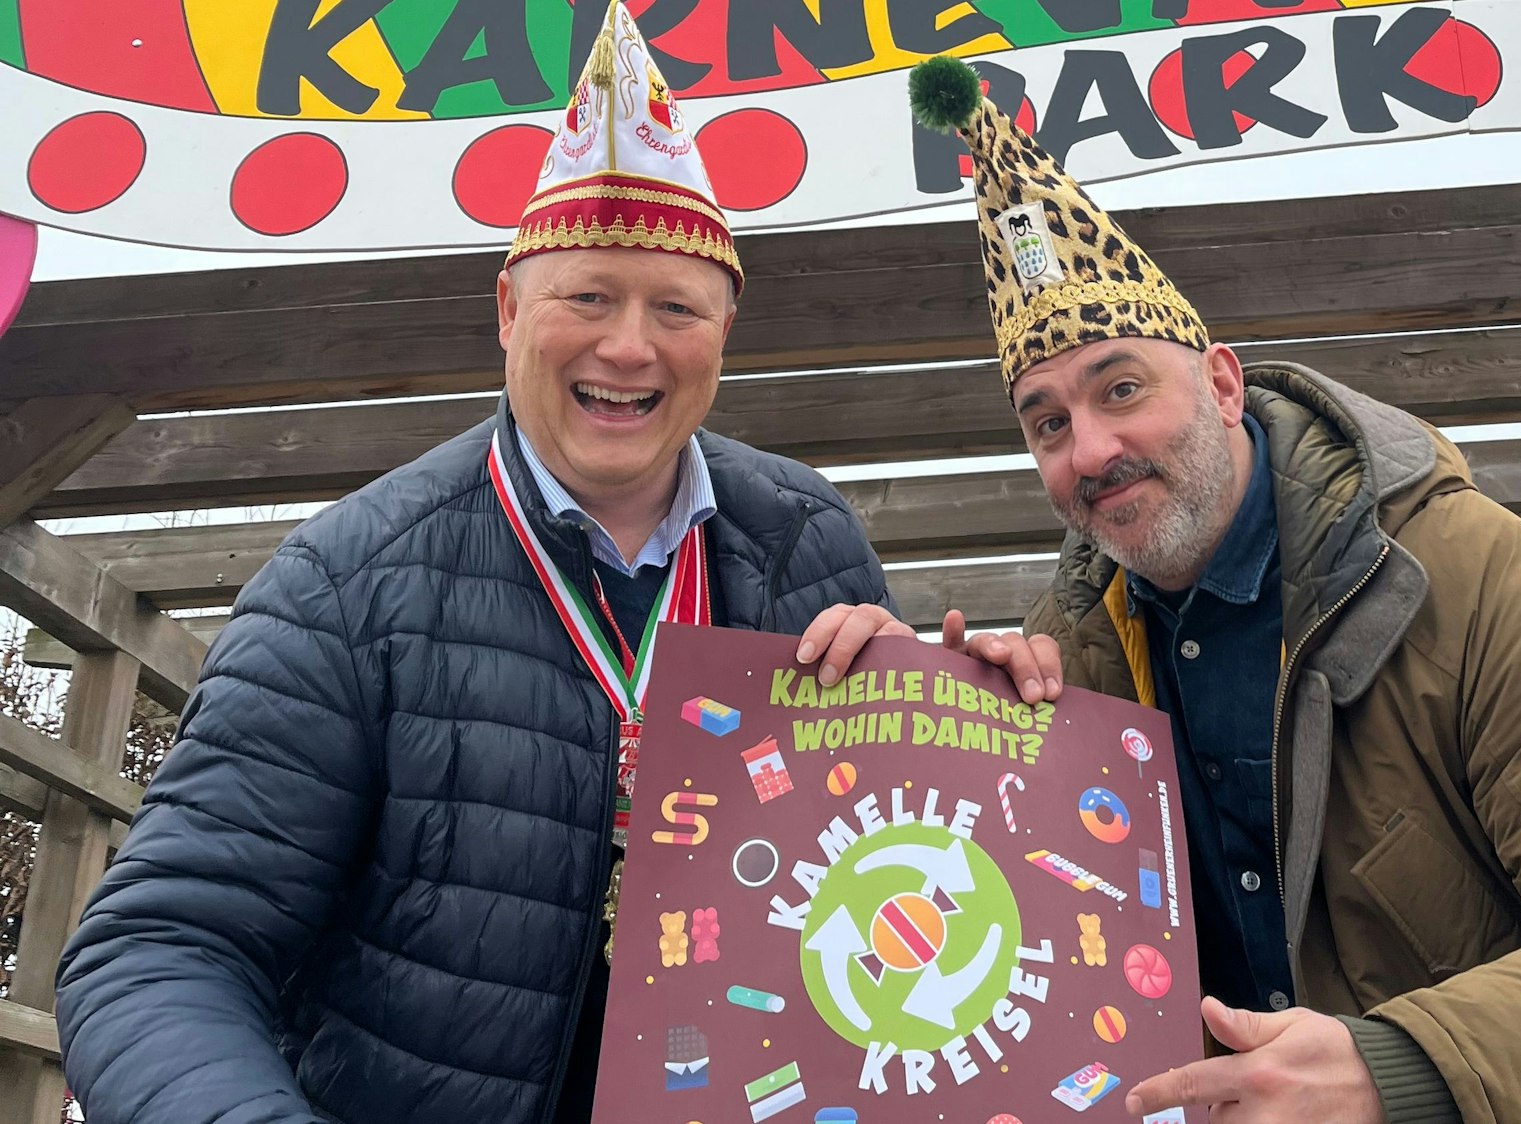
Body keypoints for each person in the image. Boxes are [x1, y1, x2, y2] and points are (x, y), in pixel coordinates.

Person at [903, 55, 1521, 1124]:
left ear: (1221, 381)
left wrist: (1401, 1065)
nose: (1090, 449)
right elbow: (1012, 980)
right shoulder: (1067, 667)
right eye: (1047, 422)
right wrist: (899, 724)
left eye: (1121, 388)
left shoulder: (1453, 570)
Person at [51, 8, 932, 1121]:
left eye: (676, 308)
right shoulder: (346, 580)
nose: (629, 347)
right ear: (509, 309)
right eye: (588, 297)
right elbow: (160, 946)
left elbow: (880, 868)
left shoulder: (809, 539)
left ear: (723, 333)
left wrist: (950, 725)